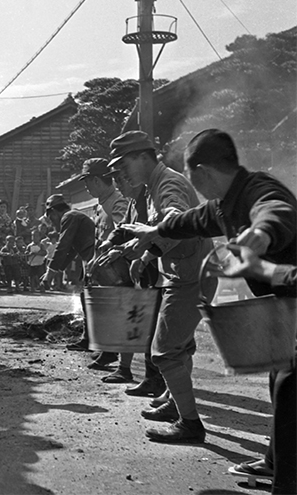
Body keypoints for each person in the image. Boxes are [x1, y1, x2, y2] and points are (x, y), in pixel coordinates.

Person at [123, 129, 296, 493]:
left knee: (290, 389)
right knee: (278, 382)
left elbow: (276, 211)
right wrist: (155, 229)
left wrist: (261, 234)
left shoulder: (259, 191)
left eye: (190, 177)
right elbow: (192, 221)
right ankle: (274, 461)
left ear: (201, 171)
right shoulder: (223, 204)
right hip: (284, 307)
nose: (192, 185)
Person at [108, 130, 215, 444]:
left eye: (124, 164)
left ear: (144, 156)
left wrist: (144, 249)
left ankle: (190, 424)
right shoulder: (154, 185)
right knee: (180, 347)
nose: (122, 173)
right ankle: (174, 401)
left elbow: (175, 218)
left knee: (165, 350)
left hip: (190, 277)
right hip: (186, 272)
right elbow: (169, 233)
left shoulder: (167, 183)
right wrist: (144, 255)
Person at [98, 172, 165, 397]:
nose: (120, 189)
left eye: (121, 183)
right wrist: (109, 242)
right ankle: (135, 372)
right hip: (140, 269)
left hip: (156, 269)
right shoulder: (135, 203)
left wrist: (127, 252)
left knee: (153, 327)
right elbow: (124, 228)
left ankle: (155, 380)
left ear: (132, 180)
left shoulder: (153, 200)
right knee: (137, 321)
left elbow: (156, 236)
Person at [75, 158, 130, 371]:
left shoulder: (117, 201)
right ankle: (107, 351)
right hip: (102, 267)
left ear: (97, 180)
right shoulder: (101, 204)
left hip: (117, 268)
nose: (86, 187)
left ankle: (120, 361)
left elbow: (124, 231)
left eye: (87, 182)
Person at [39, 194, 96, 327]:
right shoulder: (74, 216)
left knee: (90, 296)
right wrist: (56, 270)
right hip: (90, 257)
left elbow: (63, 245)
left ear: (53, 212)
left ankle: (90, 334)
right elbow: (70, 250)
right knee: (88, 295)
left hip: (92, 258)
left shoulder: (69, 216)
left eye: (51, 219)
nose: (53, 224)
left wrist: (49, 274)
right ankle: (88, 333)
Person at [26, 228, 47, 293]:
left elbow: (45, 253)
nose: (35, 237)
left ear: (39, 237)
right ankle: (32, 287)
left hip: (40, 263)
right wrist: (30, 254)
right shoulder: (30, 245)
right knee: (31, 276)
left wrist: (37, 253)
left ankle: (42, 287)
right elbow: (26, 253)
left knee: (40, 276)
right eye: (33, 236)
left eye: (36, 236)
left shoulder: (41, 245)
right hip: (32, 263)